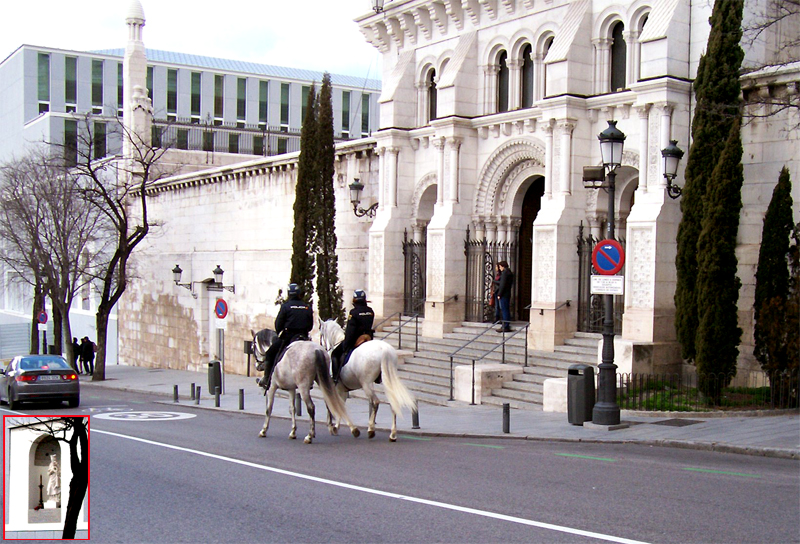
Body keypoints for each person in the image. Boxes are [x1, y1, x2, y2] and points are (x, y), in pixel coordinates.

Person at [257, 283, 313, 388]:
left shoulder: (286, 306)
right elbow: (310, 326)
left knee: (270, 354)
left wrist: (280, 333)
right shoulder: (307, 307)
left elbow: (278, 324)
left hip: (289, 337)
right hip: (304, 337)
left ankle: (266, 379)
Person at [331, 289, 375, 384]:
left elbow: (351, 330)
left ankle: (335, 377)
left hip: (357, 338)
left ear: (354, 300)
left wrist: (346, 343)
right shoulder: (370, 311)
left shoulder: (353, 313)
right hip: (368, 337)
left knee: (335, 354)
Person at [496, 261, 514, 332]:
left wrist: (499, 294)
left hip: (504, 294)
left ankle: (505, 326)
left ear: (503, 266)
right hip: (507, 293)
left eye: (500, 267)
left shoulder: (504, 273)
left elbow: (502, 285)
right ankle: (506, 324)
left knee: (504, 310)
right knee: (506, 309)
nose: (499, 268)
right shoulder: (510, 273)